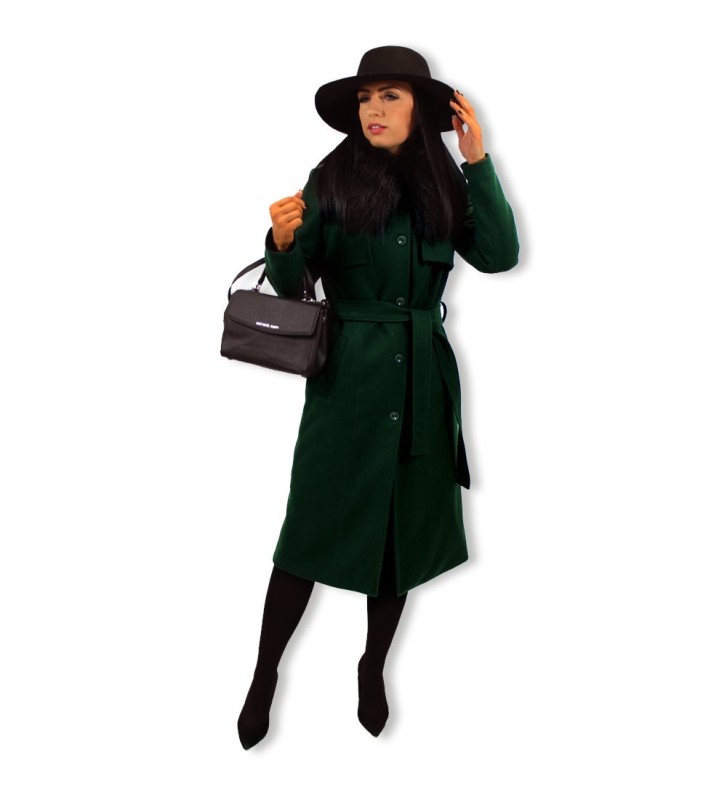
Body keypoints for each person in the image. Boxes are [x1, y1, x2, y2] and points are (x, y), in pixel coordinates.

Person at [237, 45, 519, 750]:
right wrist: (282, 242)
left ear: (420, 109)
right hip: (347, 385)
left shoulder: (445, 184)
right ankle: (264, 674)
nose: (374, 109)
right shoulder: (330, 179)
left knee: (400, 538)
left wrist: (479, 164)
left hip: (422, 384)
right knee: (306, 535)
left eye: (391, 95)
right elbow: (291, 285)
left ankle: (371, 667)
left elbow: (500, 256)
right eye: (367, 98)